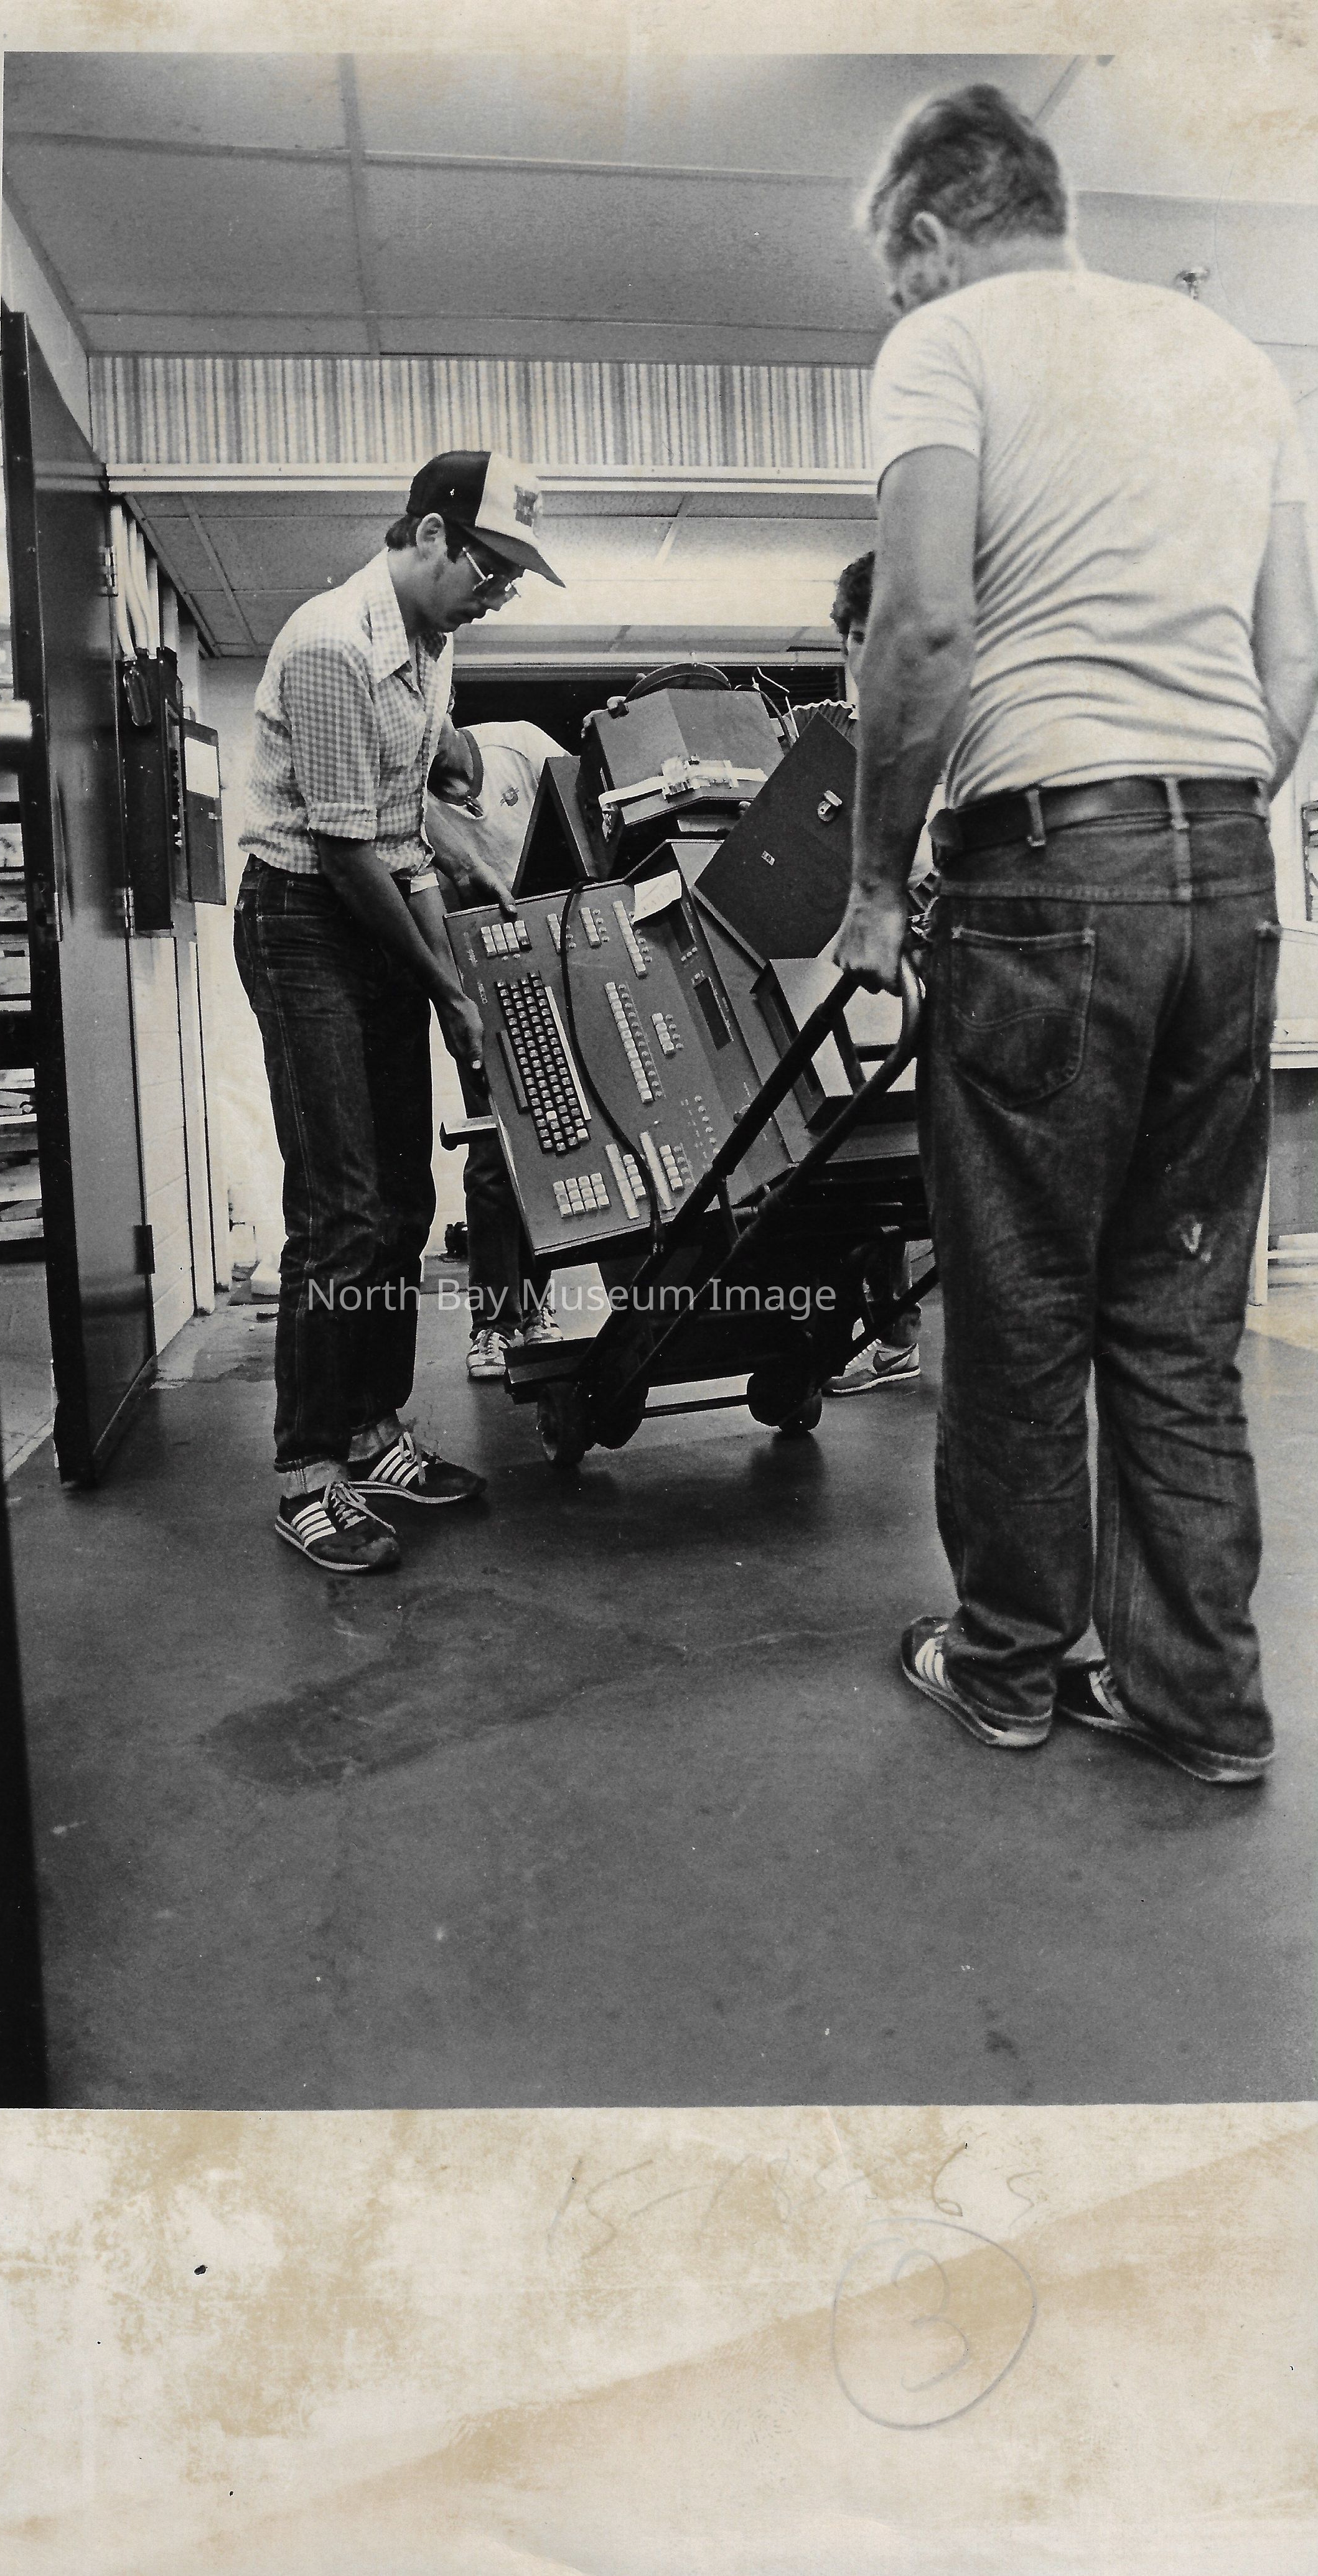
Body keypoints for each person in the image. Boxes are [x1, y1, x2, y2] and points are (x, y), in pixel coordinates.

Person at [834, 83, 1318, 1781]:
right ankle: (1199, 1702)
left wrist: (877, 887)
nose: (899, 299)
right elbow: (1289, 664)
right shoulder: (1234, 361)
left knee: (1020, 1292)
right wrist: (1190, 833)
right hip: (1226, 865)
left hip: (1045, 868)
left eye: (895, 272)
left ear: (931, 232)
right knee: (1177, 1312)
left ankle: (1006, 1665)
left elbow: (922, 628)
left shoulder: (946, 342)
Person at [233, 450, 565, 1574]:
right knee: (340, 1208)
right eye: (490, 569)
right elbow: (343, 853)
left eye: (511, 579)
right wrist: (440, 986)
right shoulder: (333, 643)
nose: (498, 594)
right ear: (430, 534)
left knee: (405, 1200)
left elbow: (404, 839)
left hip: (369, 908)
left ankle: (372, 1432)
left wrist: (455, 968)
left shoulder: (433, 647)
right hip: (301, 922)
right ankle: (307, 1468)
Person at [426, 717, 570, 1379]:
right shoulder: (412, 799)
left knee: (553, 1143)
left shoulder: (523, 746)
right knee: (492, 1151)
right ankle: (493, 1324)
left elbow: (586, 816)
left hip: (557, 959)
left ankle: (536, 1310)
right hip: (479, 977)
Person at [819, 551, 927, 1396]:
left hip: (925, 979)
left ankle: (893, 1337)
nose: (862, 655)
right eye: (853, 638)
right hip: (878, 985)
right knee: (866, 1169)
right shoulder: (857, 737)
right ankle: (886, 1333)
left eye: (871, 636)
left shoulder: (925, 726)